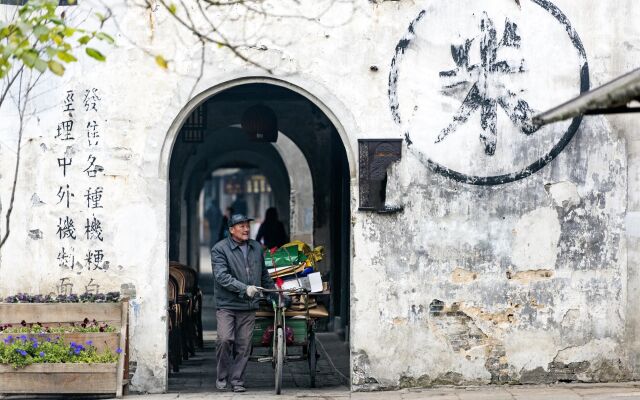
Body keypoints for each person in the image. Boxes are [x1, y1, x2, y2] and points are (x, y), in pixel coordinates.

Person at [211, 214, 276, 392]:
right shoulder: (220, 249)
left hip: (248, 305)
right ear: (231, 230)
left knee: (244, 345)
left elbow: (263, 274)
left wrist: (274, 294)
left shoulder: (256, 247)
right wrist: (244, 288)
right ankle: (222, 376)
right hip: (227, 304)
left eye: (247, 225)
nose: (246, 229)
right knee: (224, 339)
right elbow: (221, 276)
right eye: (241, 226)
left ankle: (237, 380)